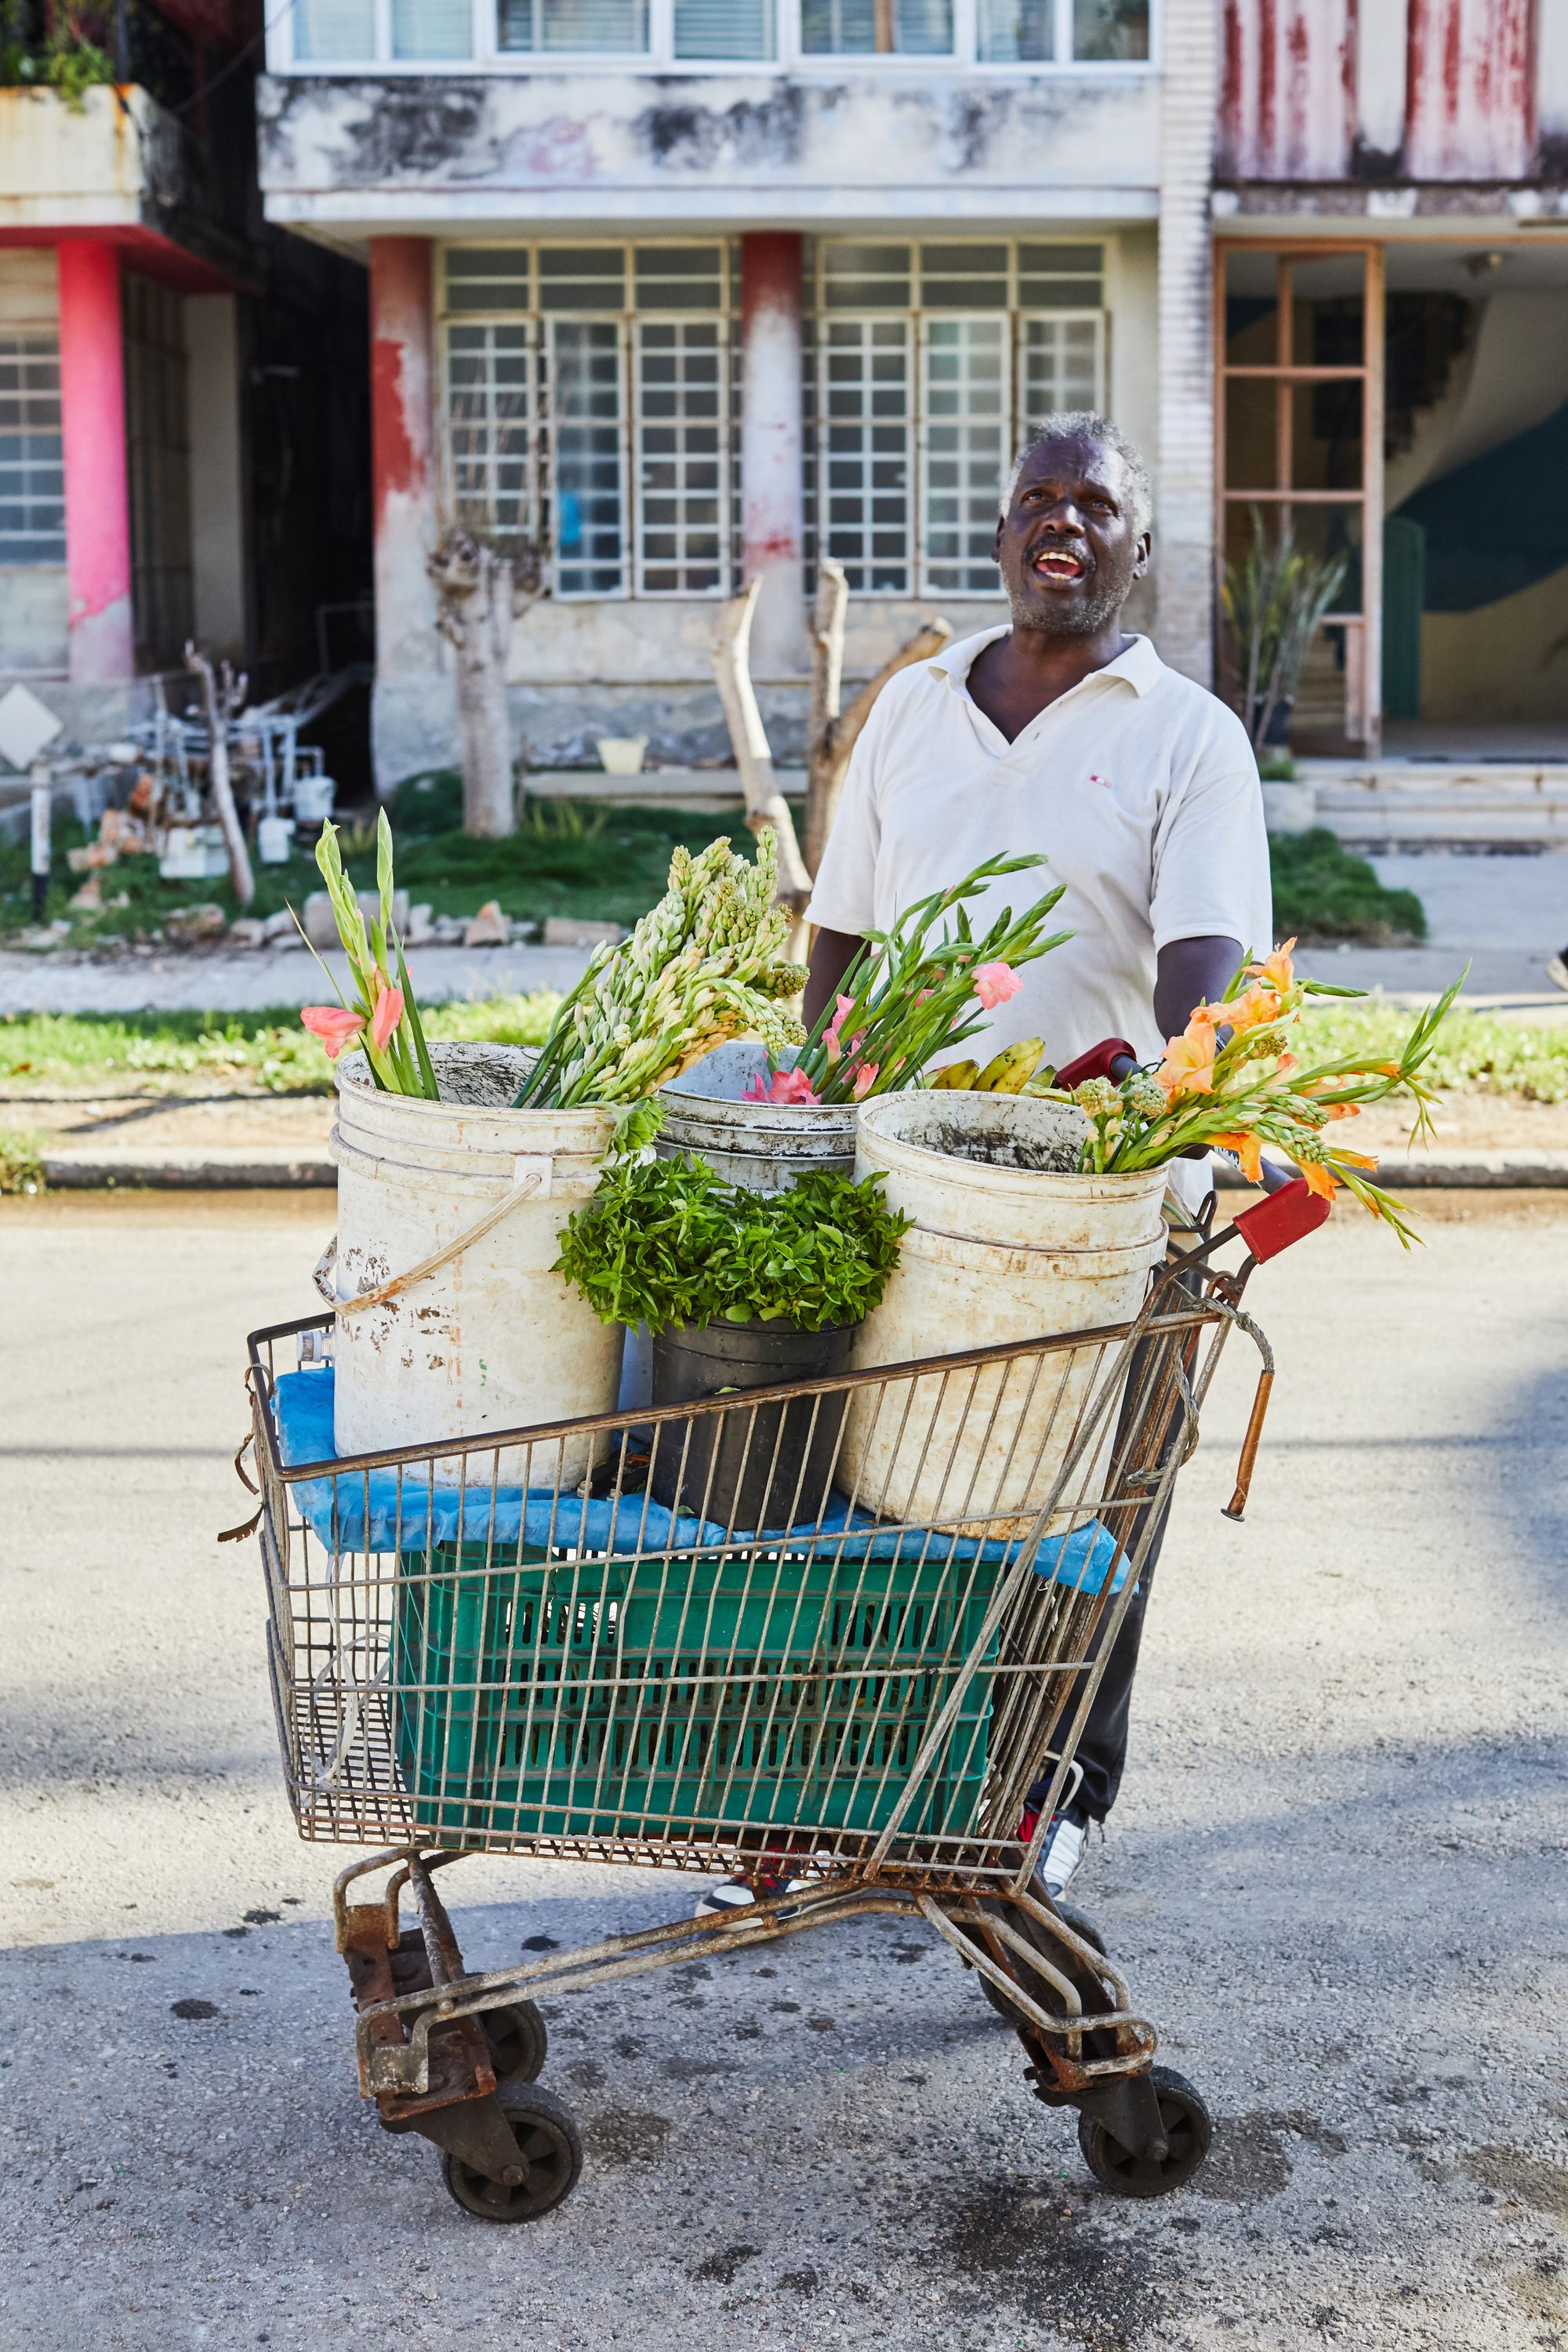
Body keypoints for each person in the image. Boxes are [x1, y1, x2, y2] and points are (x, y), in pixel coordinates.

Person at [697, 411, 1272, 1919]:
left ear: (1135, 550)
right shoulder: (910, 710)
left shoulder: (1186, 734)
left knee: (1082, 1508)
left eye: (1093, 505)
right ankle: (821, 1792)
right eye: (1036, 501)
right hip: (905, 1172)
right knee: (868, 1488)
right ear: (1004, 533)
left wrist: (1185, 1091)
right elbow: (845, 935)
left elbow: (1203, 957)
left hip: (1092, 1185)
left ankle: (1049, 1799)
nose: (1059, 525)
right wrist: (817, 1096)